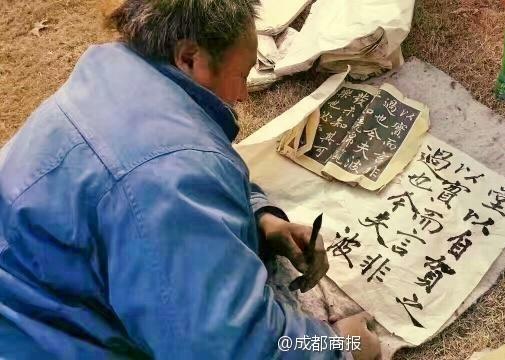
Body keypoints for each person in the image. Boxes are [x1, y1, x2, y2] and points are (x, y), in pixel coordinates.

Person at [0, 0, 381, 359]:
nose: (244, 95)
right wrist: (342, 346)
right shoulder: (168, 174)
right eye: (241, 74)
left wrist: (262, 219)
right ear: (188, 58)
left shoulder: (116, 74)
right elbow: (228, 347)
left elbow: (176, 185)